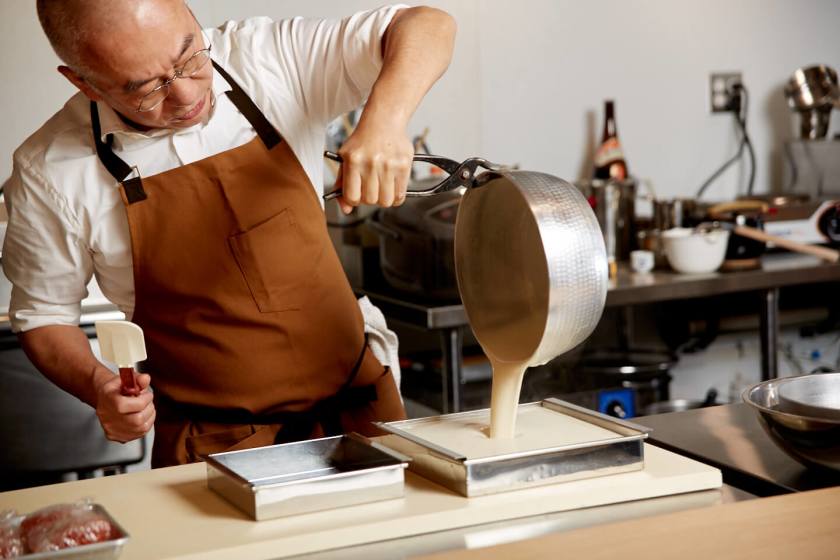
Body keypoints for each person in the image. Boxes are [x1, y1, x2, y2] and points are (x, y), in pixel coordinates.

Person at [3, 0, 456, 467]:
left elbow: (426, 24)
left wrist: (385, 118)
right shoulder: (50, 172)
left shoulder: (266, 58)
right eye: (147, 89)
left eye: (189, 57)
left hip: (360, 415)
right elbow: (43, 314)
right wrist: (97, 386)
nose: (185, 96)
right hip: (213, 451)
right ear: (83, 83)